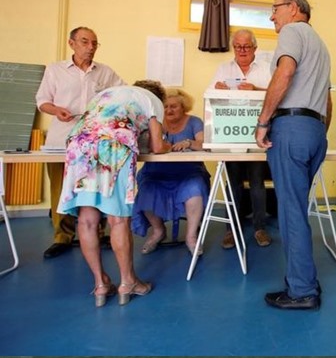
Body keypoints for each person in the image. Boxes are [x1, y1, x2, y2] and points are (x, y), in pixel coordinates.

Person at [57, 80, 172, 307]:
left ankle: (100, 283)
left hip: (78, 144)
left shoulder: (107, 94)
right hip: (113, 146)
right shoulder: (153, 101)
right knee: (117, 219)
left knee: (87, 220)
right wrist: (169, 145)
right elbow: (157, 146)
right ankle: (128, 282)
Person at [255, 0, 332, 310]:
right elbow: (328, 100)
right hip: (314, 129)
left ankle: (302, 290)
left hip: (292, 127)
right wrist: (315, 132)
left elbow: (283, 73)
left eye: (275, 9)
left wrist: (263, 122)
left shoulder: (292, 31)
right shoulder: (320, 45)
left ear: (294, 9)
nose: (272, 16)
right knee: (297, 208)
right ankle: (305, 281)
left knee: (291, 212)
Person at [36, 26, 125, 259]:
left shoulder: (105, 72)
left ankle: (98, 231)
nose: (91, 47)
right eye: (85, 42)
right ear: (71, 43)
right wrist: (56, 110)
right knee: (60, 186)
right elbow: (42, 101)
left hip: (96, 140)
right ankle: (62, 237)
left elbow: (122, 94)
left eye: (95, 43)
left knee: (96, 185)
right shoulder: (56, 70)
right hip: (62, 138)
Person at [209, 29, 273, 249]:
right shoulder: (223, 68)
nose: (242, 50)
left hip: (257, 134)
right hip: (231, 135)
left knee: (257, 182)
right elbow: (210, 97)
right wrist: (217, 89)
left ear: (255, 47)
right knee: (233, 183)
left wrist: (256, 89)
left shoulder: (266, 69)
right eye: (238, 46)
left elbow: (278, 95)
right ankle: (230, 229)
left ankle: (259, 227)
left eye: (246, 46)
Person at [131, 88, 210, 255]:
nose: (168, 110)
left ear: (184, 107)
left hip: (188, 173)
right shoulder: (155, 122)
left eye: (174, 106)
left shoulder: (194, 122)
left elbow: (205, 144)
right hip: (156, 174)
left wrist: (189, 143)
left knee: (195, 189)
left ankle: (191, 236)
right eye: (165, 107)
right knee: (146, 190)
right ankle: (158, 231)